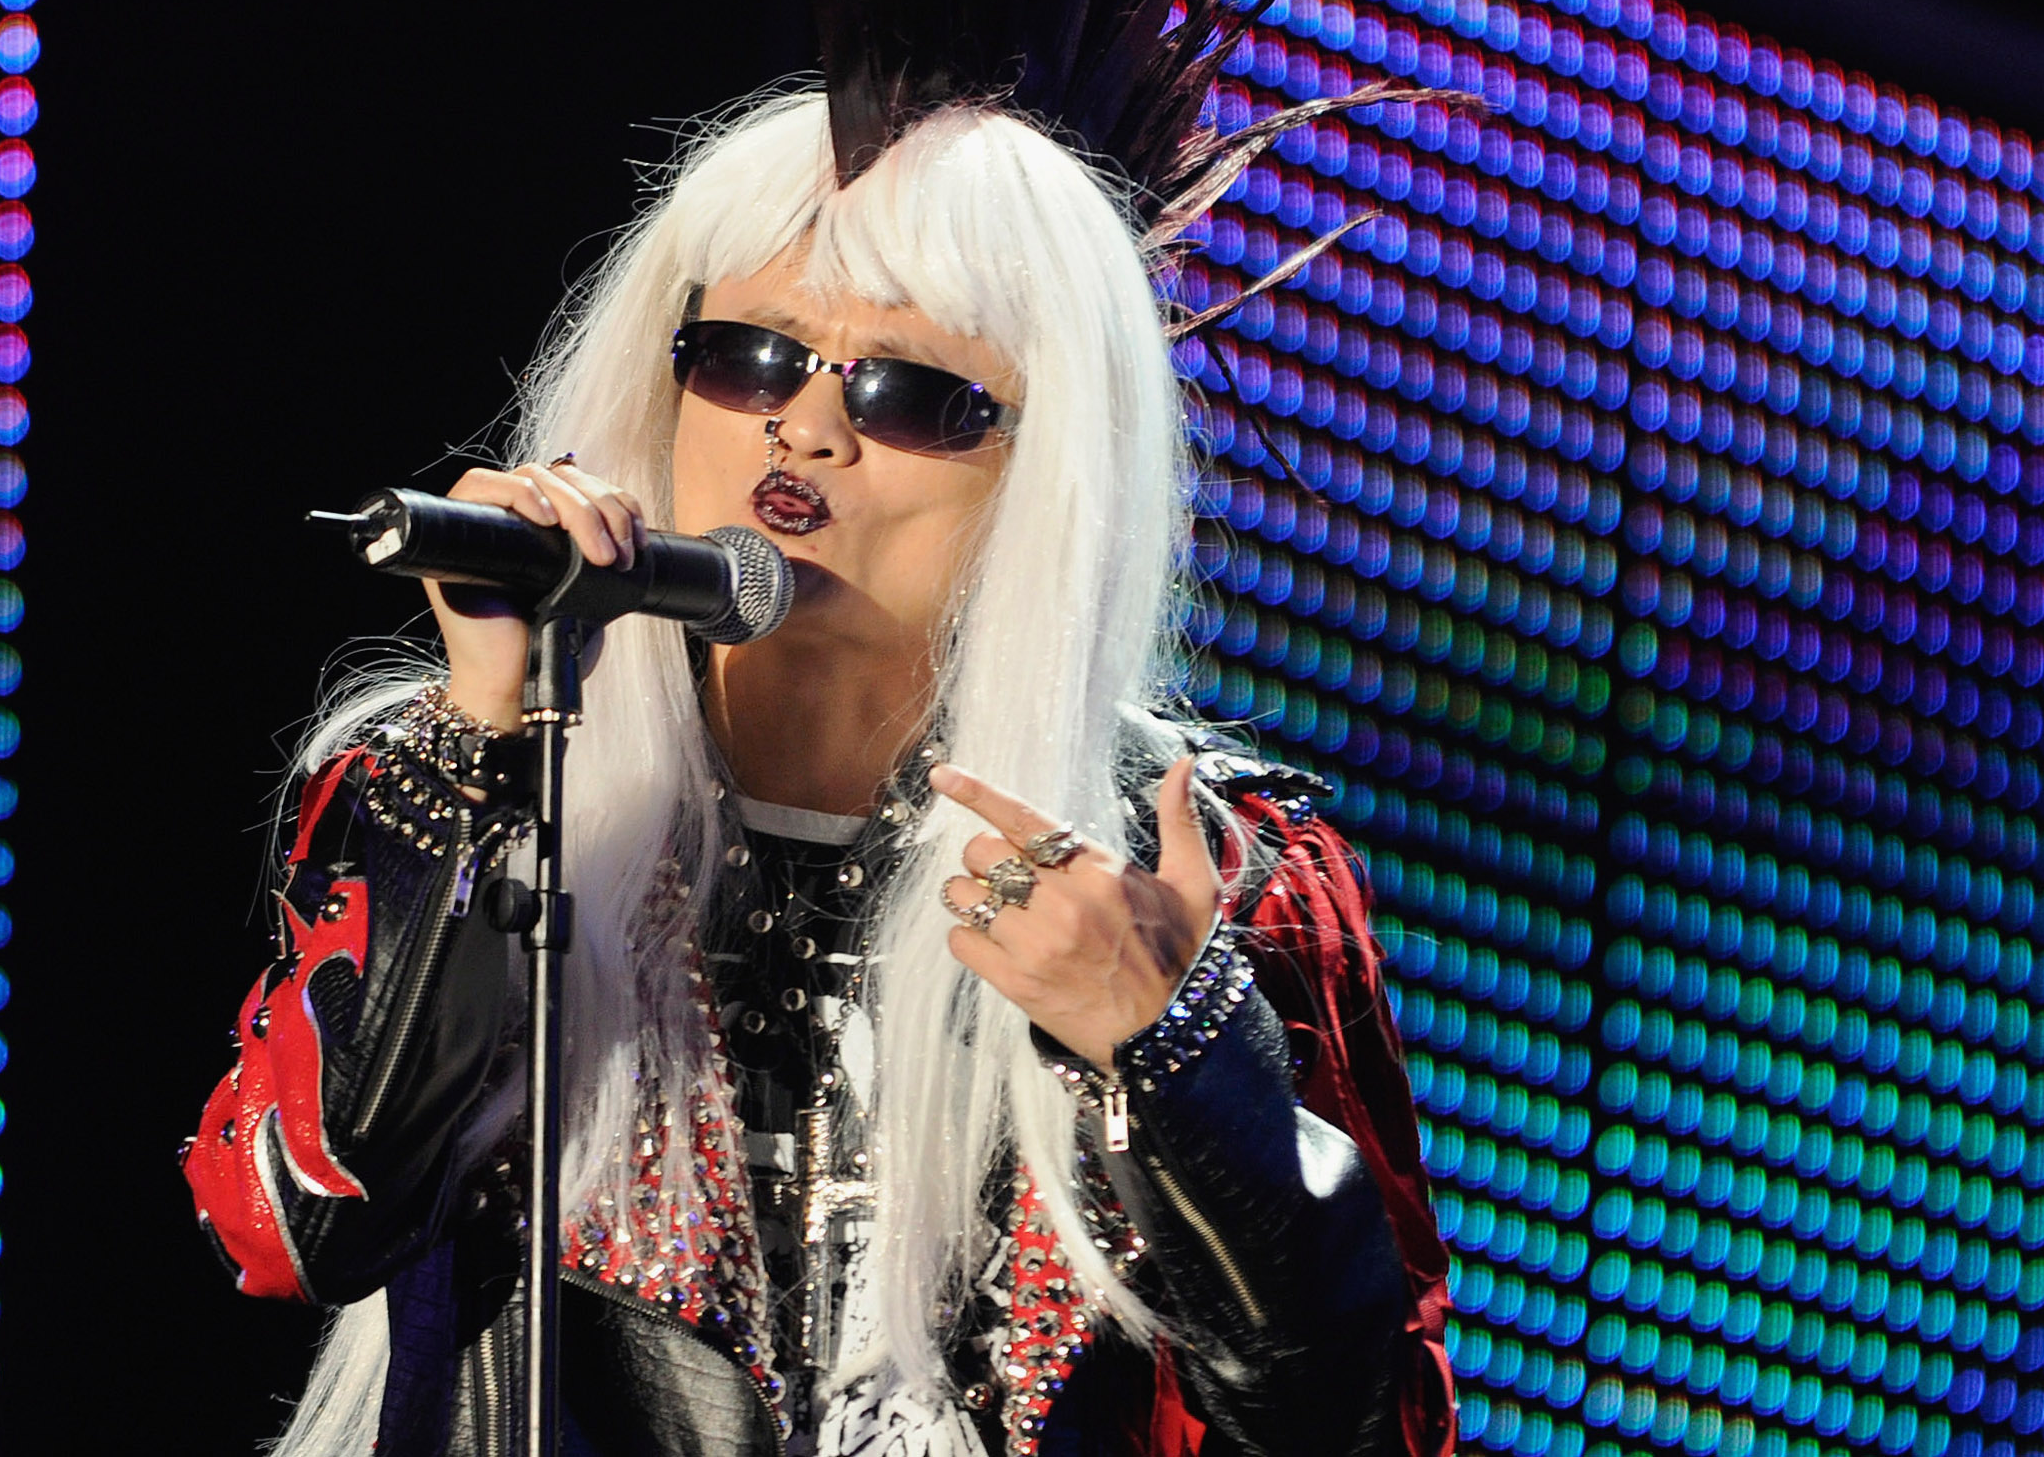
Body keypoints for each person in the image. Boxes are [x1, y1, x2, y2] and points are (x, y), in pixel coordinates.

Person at [181, 92, 1456, 1457]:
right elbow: (293, 1228)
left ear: (1051, 464)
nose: (803, 426)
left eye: (908, 391)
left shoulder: (1199, 875)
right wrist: (490, 736)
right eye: (746, 357)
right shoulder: (472, 784)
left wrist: (1177, 1060)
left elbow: (1361, 1428)